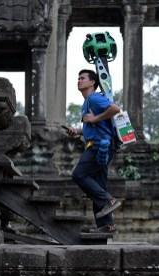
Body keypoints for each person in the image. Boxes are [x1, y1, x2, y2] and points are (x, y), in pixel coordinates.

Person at [65, 69, 122, 233]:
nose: (79, 80)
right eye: (78, 78)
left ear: (92, 82)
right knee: (98, 185)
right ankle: (106, 225)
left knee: (79, 175)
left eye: (82, 78)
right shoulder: (87, 102)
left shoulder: (94, 98)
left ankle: (109, 200)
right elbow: (94, 126)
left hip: (98, 146)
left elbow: (115, 109)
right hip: (101, 144)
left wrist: (94, 118)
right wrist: (78, 131)